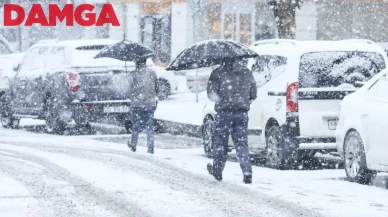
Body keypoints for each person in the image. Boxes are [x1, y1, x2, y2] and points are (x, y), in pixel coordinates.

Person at [206, 58, 257, 184]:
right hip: (241, 113)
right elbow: (253, 94)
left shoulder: (217, 73)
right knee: (241, 144)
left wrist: (222, 100)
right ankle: (247, 172)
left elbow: (211, 94)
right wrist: (243, 102)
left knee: (220, 143)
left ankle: (217, 171)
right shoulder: (247, 72)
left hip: (223, 114)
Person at [128, 58, 158, 154]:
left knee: (136, 125)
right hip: (150, 103)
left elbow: (128, 89)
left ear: (136, 63)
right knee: (149, 126)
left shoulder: (133, 74)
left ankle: (133, 144)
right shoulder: (152, 73)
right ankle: (150, 147)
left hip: (137, 104)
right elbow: (157, 88)